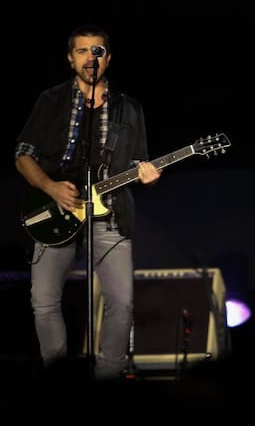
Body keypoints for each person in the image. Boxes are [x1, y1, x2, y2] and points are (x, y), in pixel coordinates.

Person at [15, 23, 161, 379]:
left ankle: (108, 381)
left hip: (110, 216)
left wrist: (148, 174)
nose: (90, 58)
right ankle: (58, 380)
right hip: (57, 210)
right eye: (82, 51)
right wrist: (50, 187)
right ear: (70, 58)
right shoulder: (51, 100)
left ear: (108, 59)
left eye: (97, 51)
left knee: (122, 304)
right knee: (44, 301)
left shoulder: (129, 108)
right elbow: (23, 154)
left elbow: (137, 162)